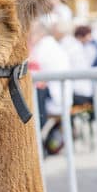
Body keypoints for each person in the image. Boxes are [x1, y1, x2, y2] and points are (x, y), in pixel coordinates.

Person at [28, 20, 72, 155]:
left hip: (53, 98)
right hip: (62, 95)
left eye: (31, 33)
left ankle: (34, 142)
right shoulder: (53, 45)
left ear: (38, 33)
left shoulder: (43, 47)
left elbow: (31, 68)